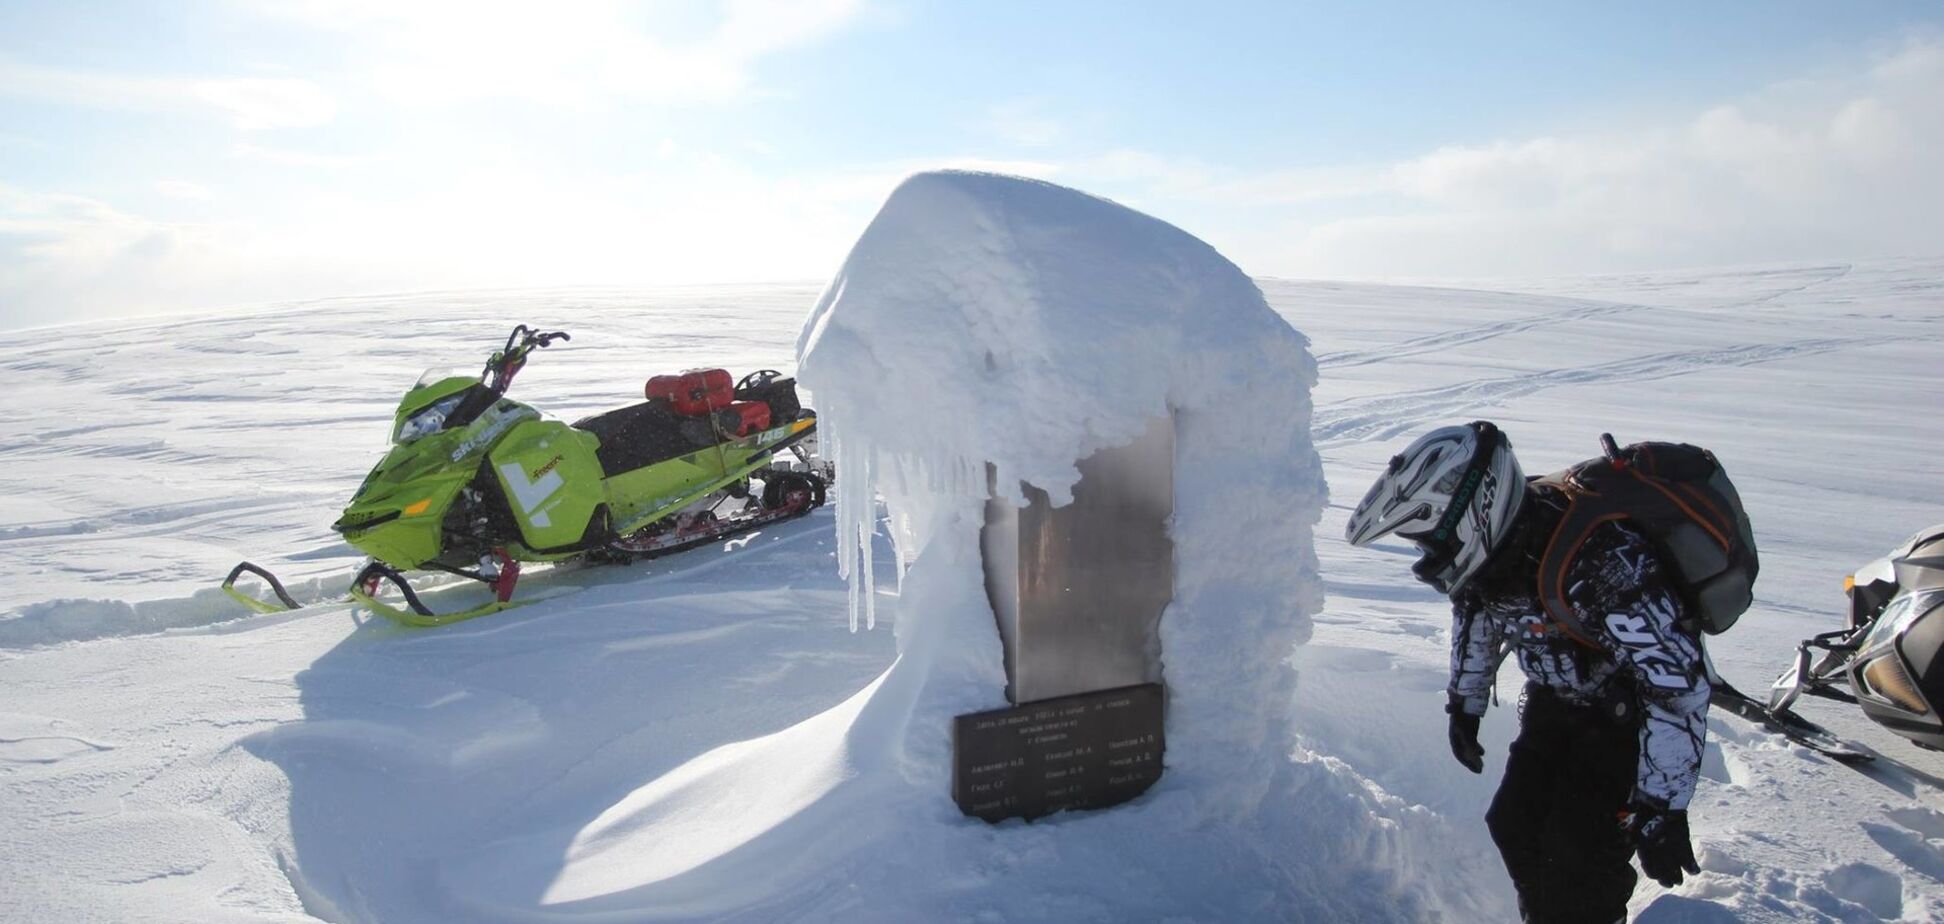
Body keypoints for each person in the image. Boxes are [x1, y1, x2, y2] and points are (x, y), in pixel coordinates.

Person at [1345, 421, 1708, 924]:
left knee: (1578, 857)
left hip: (1626, 720)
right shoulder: (1496, 557)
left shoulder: (1605, 564)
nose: (1427, 553)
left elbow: (1677, 688)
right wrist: (1465, 704)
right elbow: (1477, 618)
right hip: (1556, 701)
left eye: (1430, 537)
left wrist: (1664, 807)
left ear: (1472, 511)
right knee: (1513, 823)